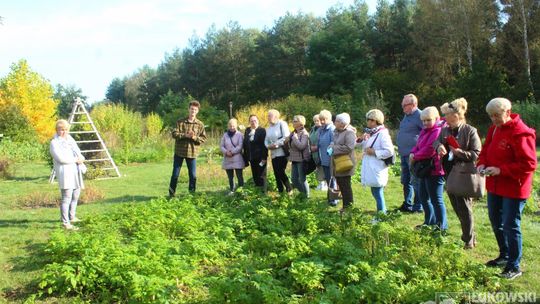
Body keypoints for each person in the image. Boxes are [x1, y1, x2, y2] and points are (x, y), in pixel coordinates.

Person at [477, 97, 537, 280]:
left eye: (497, 115)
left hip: (514, 187)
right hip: (495, 185)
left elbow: (529, 164)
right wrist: (481, 164)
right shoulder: (494, 129)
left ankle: (514, 265)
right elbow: (485, 150)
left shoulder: (521, 133)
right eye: (491, 116)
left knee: (511, 225)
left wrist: (501, 170)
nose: (494, 119)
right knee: (496, 221)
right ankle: (504, 255)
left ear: (508, 112)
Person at [434, 98, 481, 249]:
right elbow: (436, 142)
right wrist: (440, 146)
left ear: (456, 115)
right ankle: (470, 236)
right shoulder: (445, 129)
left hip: (463, 173)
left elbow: (476, 153)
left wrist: (459, 152)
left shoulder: (470, 131)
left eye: (447, 114)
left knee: (464, 207)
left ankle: (468, 239)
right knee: (456, 205)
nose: (444, 117)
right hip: (449, 172)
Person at [410, 106, 447, 231]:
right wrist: (412, 153)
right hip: (424, 169)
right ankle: (429, 222)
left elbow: (429, 150)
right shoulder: (425, 130)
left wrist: (415, 156)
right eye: (423, 120)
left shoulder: (437, 131)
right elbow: (418, 145)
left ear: (436, 118)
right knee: (423, 196)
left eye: (428, 120)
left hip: (435, 169)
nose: (425, 123)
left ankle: (442, 226)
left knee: (436, 199)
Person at [50, 119, 85, 230]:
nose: (64, 132)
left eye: (65, 130)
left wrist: (81, 158)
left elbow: (78, 152)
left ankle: (72, 216)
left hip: (75, 171)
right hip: (65, 172)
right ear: (57, 130)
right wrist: (75, 159)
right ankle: (65, 222)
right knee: (67, 197)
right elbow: (61, 159)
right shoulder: (54, 143)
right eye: (61, 130)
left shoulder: (70, 140)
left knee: (75, 195)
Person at [357, 109, 394, 215]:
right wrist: (361, 139)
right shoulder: (370, 132)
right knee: (375, 191)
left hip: (377, 167)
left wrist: (374, 152)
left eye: (369, 119)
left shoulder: (382, 134)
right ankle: (381, 213)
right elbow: (360, 145)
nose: (367, 122)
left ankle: (382, 214)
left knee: (377, 192)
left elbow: (389, 151)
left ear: (375, 121)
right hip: (371, 166)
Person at [169, 100, 207, 196]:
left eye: (195, 109)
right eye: (191, 109)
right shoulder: (180, 122)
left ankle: (191, 194)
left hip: (192, 153)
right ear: (188, 109)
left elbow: (203, 139)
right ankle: (171, 194)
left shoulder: (200, 124)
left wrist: (194, 137)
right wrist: (185, 135)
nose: (193, 111)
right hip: (179, 152)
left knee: (193, 176)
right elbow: (174, 134)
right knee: (175, 175)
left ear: (197, 111)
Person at [396, 94, 424, 213]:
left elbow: (426, 133)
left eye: (405, 105)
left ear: (413, 105)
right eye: (402, 105)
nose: (402, 107)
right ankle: (407, 204)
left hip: (414, 155)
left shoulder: (420, 115)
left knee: (415, 180)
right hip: (404, 154)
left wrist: (418, 151)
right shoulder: (406, 115)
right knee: (406, 180)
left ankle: (418, 206)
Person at [328, 113, 356, 213]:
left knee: (345, 186)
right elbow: (335, 143)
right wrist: (331, 146)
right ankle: (346, 206)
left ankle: (348, 207)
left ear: (342, 123)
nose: (334, 122)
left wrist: (333, 148)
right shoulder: (336, 131)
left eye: (336, 121)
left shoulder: (349, 133)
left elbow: (349, 147)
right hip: (337, 163)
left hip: (345, 163)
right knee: (341, 184)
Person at [264, 109, 292, 194]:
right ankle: (280, 191)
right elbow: (266, 140)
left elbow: (286, 137)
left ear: (276, 116)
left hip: (282, 152)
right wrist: (268, 146)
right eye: (268, 115)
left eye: (269, 115)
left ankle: (289, 188)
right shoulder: (268, 128)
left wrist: (276, 145)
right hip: (273, 153)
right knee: (276, 173)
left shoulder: (282, 124)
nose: (268, 117)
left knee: (281, 171)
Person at [317, 109, 337, 206]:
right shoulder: (321, 130)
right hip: (323, 159)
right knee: (328, 179)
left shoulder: (332, 129)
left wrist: (330, 149)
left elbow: (334, 143)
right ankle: (330, 197)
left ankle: (333, 199)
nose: (322, 122)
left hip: (331, 159)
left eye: (324, 119)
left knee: (332, 179)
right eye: (320, 119)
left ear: (329, 119)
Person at [243, 114, 268, 190]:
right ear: (249, 122)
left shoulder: (262, 130)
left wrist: (264, 157)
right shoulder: (247, 130)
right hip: (251, 157)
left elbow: (265, 145)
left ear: (258, 121)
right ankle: (257, 192)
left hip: (261, 158)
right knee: (255, 175)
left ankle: (264, 192)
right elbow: (245, 143)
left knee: (261, 175)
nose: (253, 122)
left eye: (255, 120)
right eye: (251, 121)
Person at [220, 118, 245, 194]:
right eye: (230, 126)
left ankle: (241, 190)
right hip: (227, 159)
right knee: (230, 177)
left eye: (233, 126)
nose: (232, 127)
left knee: (239, 176)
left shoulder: (240, 135)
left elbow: (240, 146)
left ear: (236, 126)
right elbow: (221, 146)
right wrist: (226, 152)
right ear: (228, 126)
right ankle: (232, 190)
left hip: (237, 158)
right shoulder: (225, 135)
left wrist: (232, 152)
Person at [288, 115, 310, 198]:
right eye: (293, 120)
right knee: (294, 179)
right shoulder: (294, 132)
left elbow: (302, 146)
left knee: (302, 179)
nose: (293, 122)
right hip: (294, 159)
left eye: (295, 121)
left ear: (300, 123)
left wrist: (295, 138)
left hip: (301, 159)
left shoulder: (304, 133)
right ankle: (303, 193)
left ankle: (306, 196)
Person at [309, 114, 327, 191]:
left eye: (318, 121)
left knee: (322, 167)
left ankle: (324, 184)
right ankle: (320, 183)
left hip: (320, 151)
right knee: (318, 167)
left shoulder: (323, 129)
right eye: (315, 121)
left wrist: (317, 147)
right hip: (313, 152)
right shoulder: (313, 129)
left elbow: (324, 141)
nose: (316, 122)